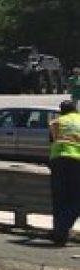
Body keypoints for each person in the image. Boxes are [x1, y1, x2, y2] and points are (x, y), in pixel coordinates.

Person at [46, 99, 80, 246]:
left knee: (59, 199)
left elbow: (52, 141)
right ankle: (61, 229)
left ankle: (59, 235)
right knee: (76, 199)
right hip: (76, 160)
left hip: (57, 160)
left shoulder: (55, 122)